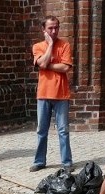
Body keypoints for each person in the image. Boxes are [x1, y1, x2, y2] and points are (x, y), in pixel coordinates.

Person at [30, 16, 73, 173]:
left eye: (56, 28)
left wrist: (47, 65)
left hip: (61, 94)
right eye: (50, 28)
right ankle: (40, 161)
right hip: (43, 94)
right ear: (44, 30)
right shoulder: (38, 46)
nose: (54, 31)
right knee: (42, 130)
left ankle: (67, 162)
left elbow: (65, 68)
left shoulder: (65, 45)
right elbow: (41, 63)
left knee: (63, 131)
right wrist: (51, 45)